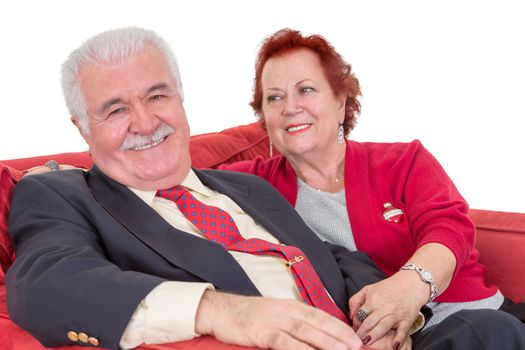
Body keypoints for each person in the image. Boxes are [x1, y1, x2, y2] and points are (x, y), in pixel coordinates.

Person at [9, 26, 525, 350]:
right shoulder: (63, 195)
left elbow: (329, 255)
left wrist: (388, 318)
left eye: (157, 95)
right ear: (82, 127)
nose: (145, 122)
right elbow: (47, 283)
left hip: (393, 332)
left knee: (495, 332)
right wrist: (223, 310)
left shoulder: (244, 187)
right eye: (116, 109)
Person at [219, 28, 525, 347]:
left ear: (340, 103)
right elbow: (182, 185)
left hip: (469, 320)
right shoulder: (251, 186)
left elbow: (449, 229)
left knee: (489, 330)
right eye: (275, 97)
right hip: (382, 342)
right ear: (264, 116)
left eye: (306, 89)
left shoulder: (404, 161)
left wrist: (411, 285)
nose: (290, 107)